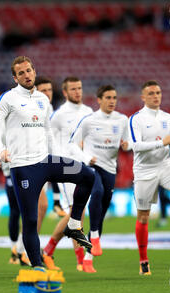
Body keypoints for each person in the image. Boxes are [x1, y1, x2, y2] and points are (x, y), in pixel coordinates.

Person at [0, 56, 95, 270]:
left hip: (46, 162)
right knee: (30, 220)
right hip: (23, 167)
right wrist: (0, 151)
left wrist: (58, 159)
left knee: (88, 175)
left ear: (34, 71)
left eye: (29, 70)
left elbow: (48, 133)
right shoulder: (8, 99)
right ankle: (37, 266)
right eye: (21, 73)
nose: (26, 75)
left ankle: (74, 225)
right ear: (15, 77)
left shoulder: (42, 100)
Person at [129, 80, 170, 275]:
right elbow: (135, 146)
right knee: (144, 217)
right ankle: (143, 260)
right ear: (143, 97)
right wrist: (161, 143)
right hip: (144, 171)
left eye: (158, 92)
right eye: (151, 93)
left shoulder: (168, 118)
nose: (156, 96)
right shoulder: (136, 119)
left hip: (164, 165)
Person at [69, 85, 131, 272]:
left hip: (110, 169)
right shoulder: (89, 120)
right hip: (91, 166)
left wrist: (126, 145)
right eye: (108, 97)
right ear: (99, 99)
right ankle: (94, 236)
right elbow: (72, 144)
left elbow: (127, 145)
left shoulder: (122, 120)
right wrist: (86, 158)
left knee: (101, 212)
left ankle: (88, 259)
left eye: (114, 97)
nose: (112, 101)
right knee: (97, 191)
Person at [42, 76, 94, 271]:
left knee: (77, 214)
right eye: (73, 89)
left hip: (83, 167)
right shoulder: (58, 115)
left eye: (79, 88)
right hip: (66, 168)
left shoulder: (89, 112)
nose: (77, 92)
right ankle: (79, 260)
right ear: (64, 92)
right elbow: (48, 140)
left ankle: (48, 251)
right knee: (75, 212)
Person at [34, 76, 65, 218]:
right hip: (32, 160)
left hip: (46, 158)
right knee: (36, 206)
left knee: (40, 207)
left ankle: (58, 203)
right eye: (43, 90)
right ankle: (23, 238)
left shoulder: (51, 109)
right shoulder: (31, 109)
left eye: (49, 90)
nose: (47, 93)